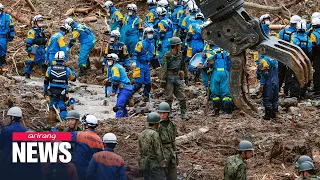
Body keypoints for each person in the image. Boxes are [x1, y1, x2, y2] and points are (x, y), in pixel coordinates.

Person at [44, 51, 77, 125]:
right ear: (64, 59)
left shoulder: (50, 69)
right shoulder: (67, 70)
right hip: (63, 93)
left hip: (52, 92)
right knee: (63, 108)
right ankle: (64, 124)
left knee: (52, 108)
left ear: (55, 59)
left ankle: (51, 124)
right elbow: (74, 78)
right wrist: (72, 69)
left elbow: (46, 81)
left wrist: (45, 90)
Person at [160, 37, 189, 120]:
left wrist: (186, 76)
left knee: (182, 97)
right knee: (169, 97)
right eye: (179, 44)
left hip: (177, 76)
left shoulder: (180, 54)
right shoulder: (167, 55)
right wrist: (163, 80)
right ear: (175, 46)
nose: (180, 46)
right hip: (169, 77)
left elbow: (184, 66)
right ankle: (168, 113)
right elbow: (164, 68)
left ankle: (184, 113)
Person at [71, 114, 103, 180]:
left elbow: (61, 136)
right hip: (91, 172)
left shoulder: (79, 135)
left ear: (86, 125)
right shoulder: (100, 141)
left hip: (77, 169)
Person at [276, 15, 301, 95]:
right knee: (288, 74)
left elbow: (277, 41)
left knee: (280, 74)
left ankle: (276, 90)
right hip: (289, 56)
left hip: (280, 54)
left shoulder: (282, 31)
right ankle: (286, 92)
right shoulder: (295, 34)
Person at [132, 27, 157, 102]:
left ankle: (146, 97)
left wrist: (156, 65)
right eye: (149, 33)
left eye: (151, 33)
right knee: (138, 84)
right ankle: (128, 94)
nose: (150, 35)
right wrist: (133, 61)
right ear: (145, 34)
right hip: (139, 65)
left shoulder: (152, 45)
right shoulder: (140, 43)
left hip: (147, 65)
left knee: (148, 84)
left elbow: (153, 56)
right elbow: (135, 54)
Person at [138, 112, 166, 180]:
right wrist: (162, 162)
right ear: (157, 123)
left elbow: (140, 149)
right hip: (154, 164)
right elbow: (158, 150)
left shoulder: (142, 133)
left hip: (144, 163)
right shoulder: (154, 134)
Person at [289, 20, 312, 99]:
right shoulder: (308, 39)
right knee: (304, 76)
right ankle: (302, 94)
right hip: (305, 61)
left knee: (295, 77)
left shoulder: (294, 39)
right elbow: (309, 50)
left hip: (296, 61)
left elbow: (291, 49)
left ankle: (294, 94)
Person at [108, 53, 133, 118]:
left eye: (110, 60)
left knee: (119, 107)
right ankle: (125, 119)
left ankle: (117, 120)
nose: (109, 61)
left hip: (124, 89)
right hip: (128, 88)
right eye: (108, 60)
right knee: (123, 106)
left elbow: (116, 80)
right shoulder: (119, 66)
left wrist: (113, 91)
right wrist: (109, 79)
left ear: (114, 60)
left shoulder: (115, 68)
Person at [209, 46, 233, 115]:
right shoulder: (226, 50)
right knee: (226, 92)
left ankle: (217, 110)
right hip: (225, 72)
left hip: (216, 73)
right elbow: (230, 60)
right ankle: (227, 111)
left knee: (215, 92)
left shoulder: (212, 51)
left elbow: (209, 61)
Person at [157, 102, 178, 180]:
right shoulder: (156, 125)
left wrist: (175, 152)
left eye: (164, 113)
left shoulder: (172, 124)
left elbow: (173, 140)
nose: (162, 115)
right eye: (160, 113)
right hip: (161, 151)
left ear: (168, 113)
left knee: (173, 174)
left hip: (171, 152)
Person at [257, 55, 279, 120]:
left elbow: (264, 74)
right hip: (276, 80)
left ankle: (268, 115)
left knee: (267, 97)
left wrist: (262, 83)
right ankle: (274, 113)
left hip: (268, 81)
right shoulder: (275, 58)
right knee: (275, 98)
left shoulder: (263, 60)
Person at [185, 12, 205, 81]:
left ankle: (192, 74)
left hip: (193, 43)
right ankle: (198, 75)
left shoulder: (192, 24)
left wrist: (186, 43)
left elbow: (189, 35)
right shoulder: (204, 25)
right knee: (200, 59)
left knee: (191, 59)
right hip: (202, 44)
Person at [0, 3, 14, 72]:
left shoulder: (7, 17)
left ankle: (1, 66)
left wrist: (11, 35)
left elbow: (11, 27)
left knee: (3, 52)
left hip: (4, 37)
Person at [310, 18, 320, 96]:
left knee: (317, 72)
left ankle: (317, 90)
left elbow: (312, 46)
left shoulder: (314, 34)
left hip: (317, 55)